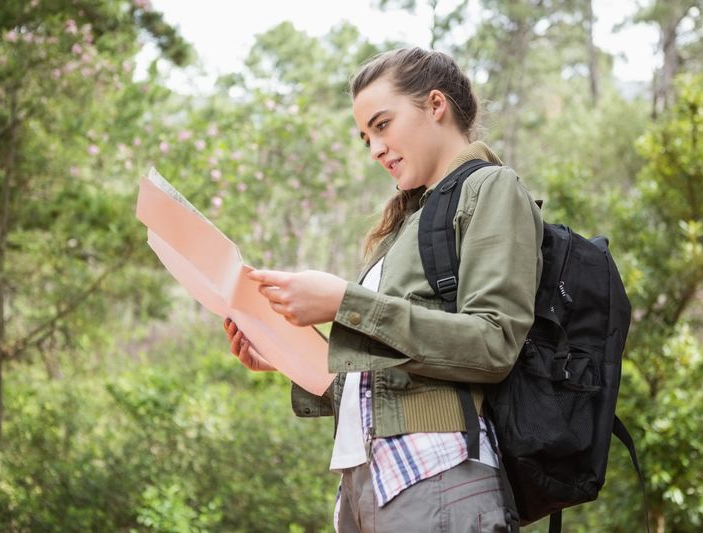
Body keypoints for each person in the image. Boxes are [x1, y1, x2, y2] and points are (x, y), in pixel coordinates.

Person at [223, 47, 543, 532]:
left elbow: (492, 344)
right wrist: (288, 356)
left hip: (436, 472)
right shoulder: (403, 229)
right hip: (366, 480)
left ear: (435, 105)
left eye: (382, 125)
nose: (374, 148)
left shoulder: (491, 188)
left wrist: (343, 303)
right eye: (365, 137)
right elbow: (387, 379)